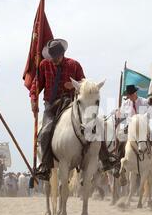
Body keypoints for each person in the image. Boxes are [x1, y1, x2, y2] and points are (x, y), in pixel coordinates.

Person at [30, 39, 118, 180]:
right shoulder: (44, 65)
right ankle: (45, 165)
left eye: (57, 57)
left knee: (96, 126)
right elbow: (36, 84)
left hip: (71, 103)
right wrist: (33, 100)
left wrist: (74, 86)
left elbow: (85, 85)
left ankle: (105, 158)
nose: (54, 60)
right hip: (51, 105)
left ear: (63, 54)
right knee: (45, 131)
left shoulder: (74, 65)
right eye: (52, 57)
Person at [115, 84, 152, 174]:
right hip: (130, 127)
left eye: (131, 95)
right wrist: (118, 114)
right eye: (128, 95)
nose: (130, 97)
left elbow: (151, 115)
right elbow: (121, 115)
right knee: (121, 143)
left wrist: (143, 119)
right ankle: (118, 166)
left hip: (143, 126)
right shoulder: (125, 104)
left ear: (135, 93)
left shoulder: (144, 102)